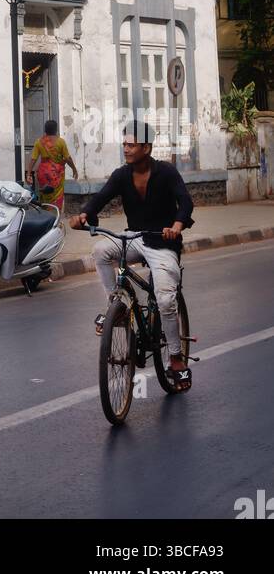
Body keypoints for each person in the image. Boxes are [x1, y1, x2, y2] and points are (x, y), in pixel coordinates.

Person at [70, 118, 194, 392]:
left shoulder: (167, 173)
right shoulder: (121, 175)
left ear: (146, 148)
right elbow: (99, 199)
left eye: (132, 145)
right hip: (135, 238)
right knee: (101, 250)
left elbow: (185, 201)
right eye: (124, 144)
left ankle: (174, 357)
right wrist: (83, 215)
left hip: (162, 242)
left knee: (164, 299)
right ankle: (117, 305)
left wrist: (176, 226)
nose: (126, 149)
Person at [26, 118, 77, 212]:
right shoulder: (61, 142)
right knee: (56, 196)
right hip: (56, 174)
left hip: (43, 173)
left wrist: (28, 174)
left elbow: (33, 159)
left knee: (44, 195)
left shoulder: (39, 142)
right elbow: (67, 158)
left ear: (45, 130)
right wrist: (74, 169)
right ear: (56, 130)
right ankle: (54, 217)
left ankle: (44, 215)